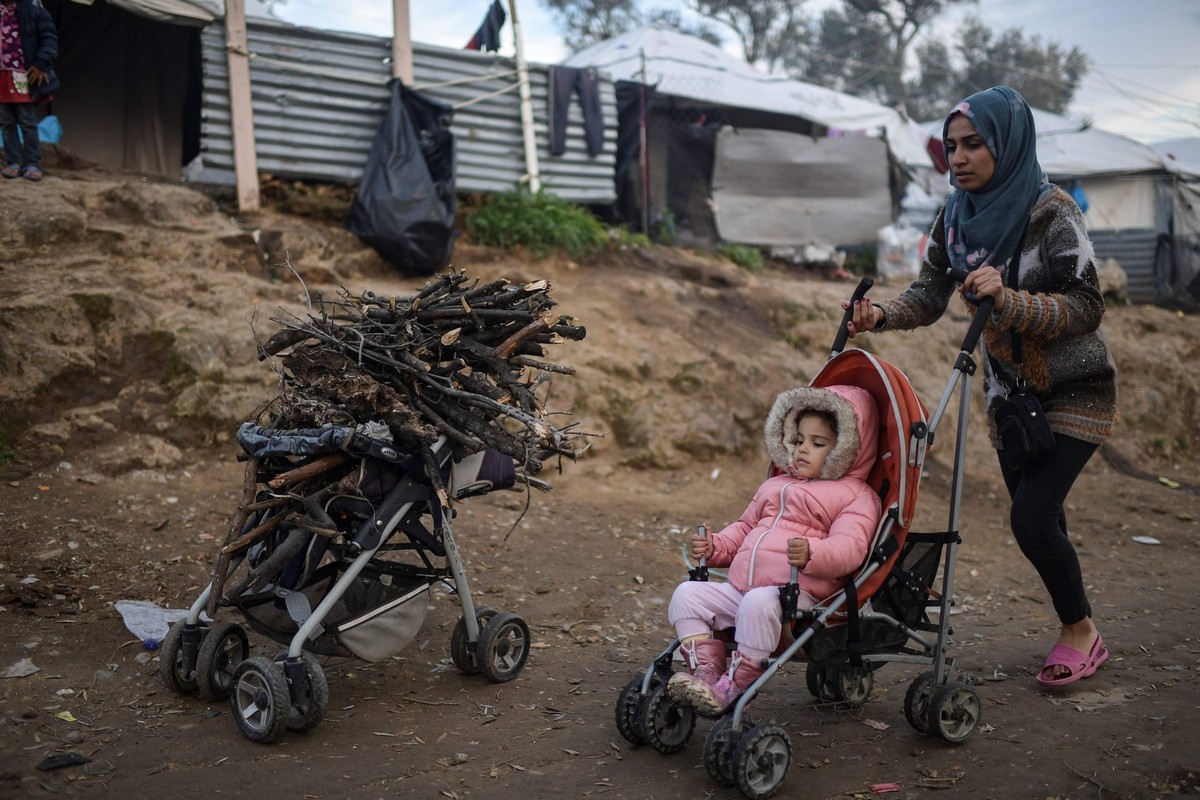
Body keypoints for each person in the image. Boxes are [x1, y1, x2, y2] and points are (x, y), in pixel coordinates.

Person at [844, 85, 1118, 688]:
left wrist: (1010, 300)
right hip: (1011, 399)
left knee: (1032, 518)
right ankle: (1078, 621)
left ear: (1008, 143)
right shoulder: (954, 218)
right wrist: (880, 316)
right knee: (1043, 518)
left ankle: (1081, 632)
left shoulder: (1052, 213)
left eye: (974, 144)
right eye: (951, 147)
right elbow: (929, 295)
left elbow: (1087, 305)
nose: (959, 158)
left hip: (1074, 387)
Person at [667, 384, 881, 716]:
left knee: (757, 601)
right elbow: (744, 528)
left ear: (848, 449)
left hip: (795, 594)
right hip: (743, 588)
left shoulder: (856, 495)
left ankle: (737, 685)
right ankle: (706, 672)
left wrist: (812, 553)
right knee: (687, 594)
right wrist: (717, 545)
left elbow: (850, 548)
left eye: (818, 443)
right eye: (798, 441)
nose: (803, 449)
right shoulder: (775, 485)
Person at [0, 0, 59, 182]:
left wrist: (41, 63)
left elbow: (49, 38)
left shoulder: (34, 12)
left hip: (23, 75)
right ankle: (14, 162)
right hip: (1, 75)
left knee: (26, 120)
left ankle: (32, 163)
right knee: (6, 121)